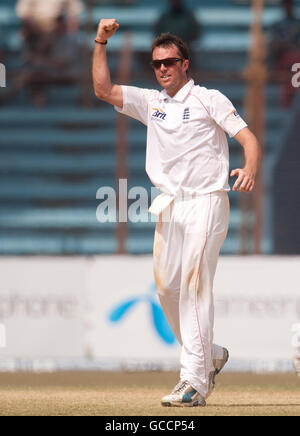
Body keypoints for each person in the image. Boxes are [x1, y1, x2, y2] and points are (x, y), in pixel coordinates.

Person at [93, 19, 261, 407]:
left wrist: (249, 167)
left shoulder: (209, 98)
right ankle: (210, 354)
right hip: (170, 205)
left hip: (206, 200)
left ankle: (194, 382)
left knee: (194, 287)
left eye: (170, 62)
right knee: (167, 289)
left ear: (185, 63)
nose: (163, 69)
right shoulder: (152, 103)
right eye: (156, 64)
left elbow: (248, 138)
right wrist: (100, 41)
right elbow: (103, 89)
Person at [268, 0, 300, 107]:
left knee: (295, 65)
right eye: (286, 5)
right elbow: (274, 43)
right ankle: (289, 98)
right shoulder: (277, 26)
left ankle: (292, 96)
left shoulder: (297, 24)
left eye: (289, 5)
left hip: (295, 58)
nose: (288, 7)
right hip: (283, 59)